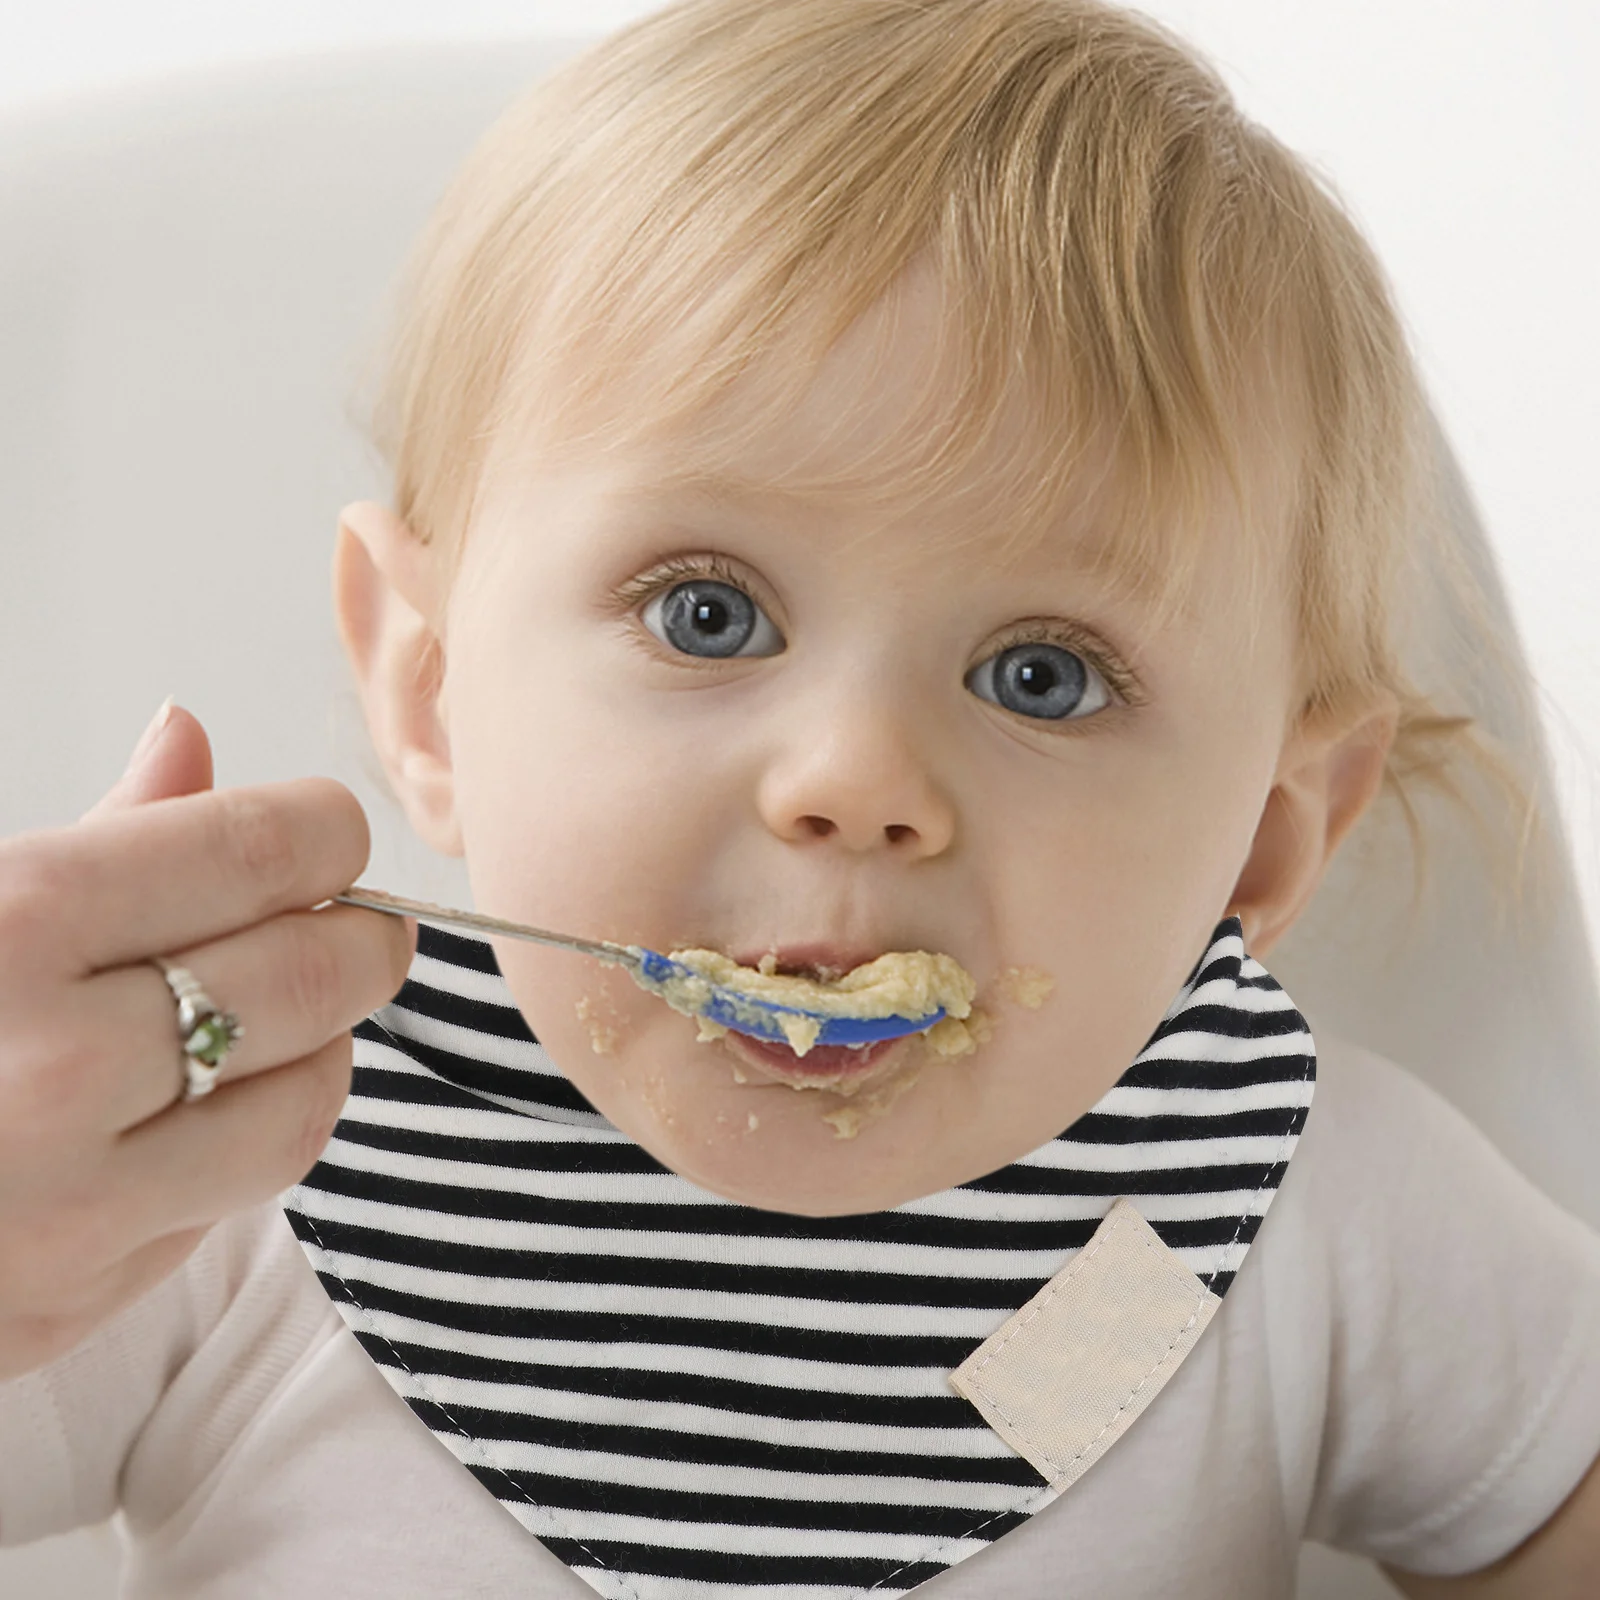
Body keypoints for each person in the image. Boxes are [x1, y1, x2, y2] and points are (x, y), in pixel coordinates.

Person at [2, 0, 1599, 1594]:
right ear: (431, 689)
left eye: (1042, 675)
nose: (859, 783)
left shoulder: (1283, 1215)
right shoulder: (208, 1178)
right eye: (709, 613)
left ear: (1263, 835)